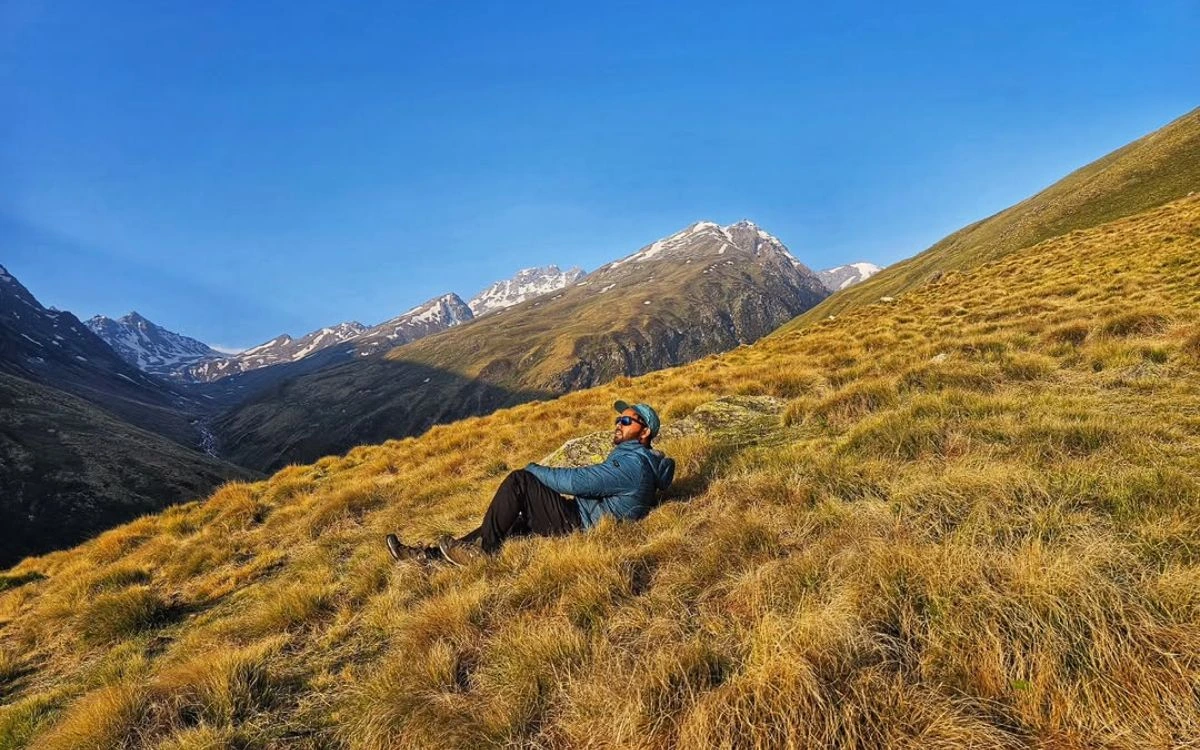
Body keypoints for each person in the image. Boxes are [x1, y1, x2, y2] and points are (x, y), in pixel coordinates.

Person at [386, 400, 675, 566]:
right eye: (619, 418)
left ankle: (481, 554)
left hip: (580, 525)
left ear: (645, 431)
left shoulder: (634, 465)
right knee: (509, 524)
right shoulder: (633, 459)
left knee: (520, 482)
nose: (618, 423)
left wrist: (534, 469)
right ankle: (428, 558)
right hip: (580, 516)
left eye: (627, 421)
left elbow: (576, 482)